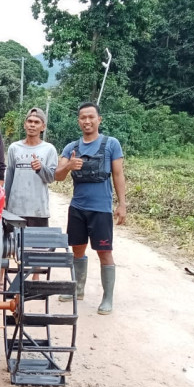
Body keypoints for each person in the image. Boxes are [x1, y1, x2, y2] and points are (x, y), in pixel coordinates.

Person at [55, 101, 126, 315]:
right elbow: (57, 176)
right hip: (77, 207)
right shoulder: (71, 147)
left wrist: (122, 204)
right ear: (78, 121)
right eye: (83, 118)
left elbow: (118, 174)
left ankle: (107, 298)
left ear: (99, 120)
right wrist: (69, 166)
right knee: (77, 249)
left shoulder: (111, 144)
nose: (87, 121)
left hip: (101, 209)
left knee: (105, 251)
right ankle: (77, 289)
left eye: (91, 117)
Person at [4, 107, 58, 227]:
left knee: (38, 245)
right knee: (13, 245)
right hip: (15, 210)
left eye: (36, 122)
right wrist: (5, 199)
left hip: (38, 211)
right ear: (25, 124)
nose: (32, 125)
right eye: (30, 121)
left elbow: (51, 178)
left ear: (43, 127)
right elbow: (10, 177)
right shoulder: (14, 148)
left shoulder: (49, 149)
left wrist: (40, 168)